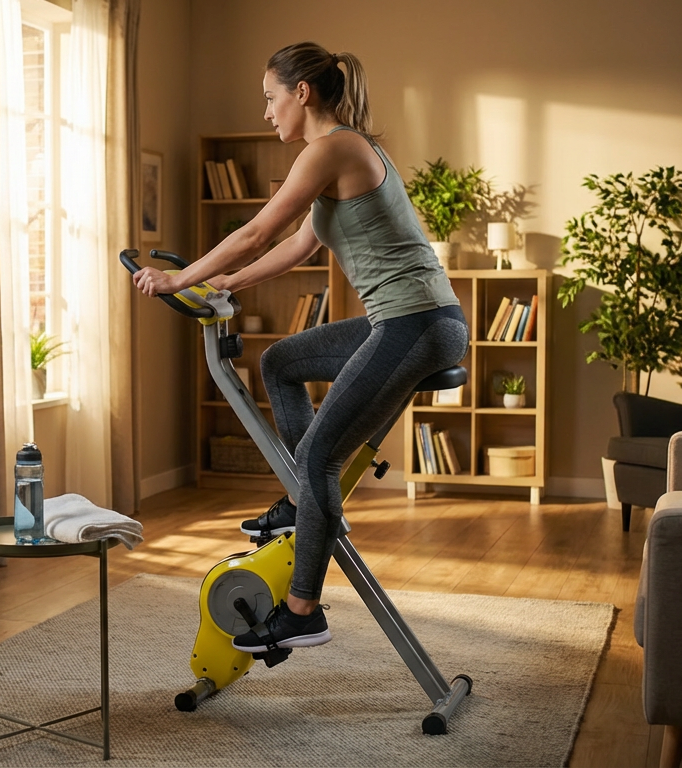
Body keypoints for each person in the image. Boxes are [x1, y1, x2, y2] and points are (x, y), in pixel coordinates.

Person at [132, 42, 469, 652]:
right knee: (280, 361)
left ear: (302, 93)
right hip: (406, 319)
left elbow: (260, 229)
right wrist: (225, 282)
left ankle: (303, 609)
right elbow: (296, 248)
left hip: (416, 322)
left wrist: (178, 279)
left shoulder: (333, 148)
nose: (267, 112)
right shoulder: (339, 154)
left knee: (320, 459)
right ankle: (304, 500)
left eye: (270, 98)